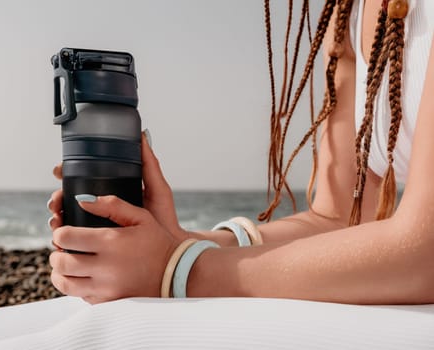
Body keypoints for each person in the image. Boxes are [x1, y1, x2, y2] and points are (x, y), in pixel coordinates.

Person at [47, 0, 434, 305]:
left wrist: (179, 269)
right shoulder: (351, 12)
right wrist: (179, 243)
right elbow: (340, 219)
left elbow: (425, 255)